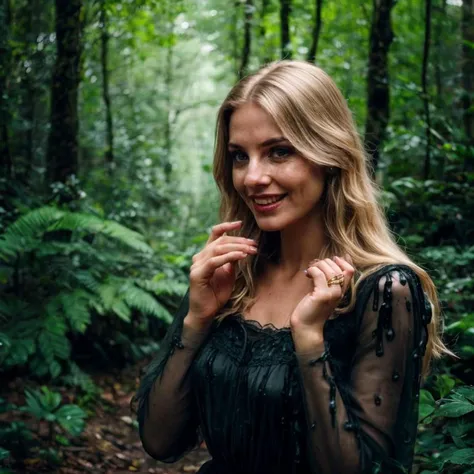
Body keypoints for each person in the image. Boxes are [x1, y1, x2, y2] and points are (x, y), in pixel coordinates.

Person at [133, 60, 450, 474]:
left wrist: (310, 343)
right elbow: (159, 440)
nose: (252, 177)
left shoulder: (386, 290)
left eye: (278, 152)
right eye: (239, 157)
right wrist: (196, 319)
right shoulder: (235, 275)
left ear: (329, 155)